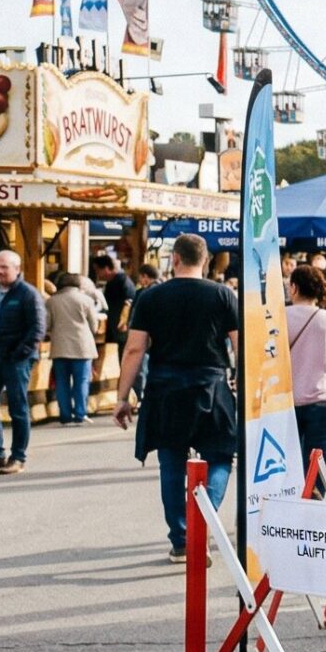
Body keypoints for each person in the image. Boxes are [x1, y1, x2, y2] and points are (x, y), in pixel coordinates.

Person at [115, 233, 239, 560]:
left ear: (175, 259)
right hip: (211, 384)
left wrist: (122, 396)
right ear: (206, 261)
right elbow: (241, 345)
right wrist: (241, 379)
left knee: (171, 463)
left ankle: (182, 538)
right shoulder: (223, 295)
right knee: (221, 455)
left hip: (165, 387)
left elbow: (134, 349)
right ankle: (204, 520)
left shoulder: (151, 297)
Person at [0, 249, 47, 476]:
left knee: (17, 408)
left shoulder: (28, 294)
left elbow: (38, 329)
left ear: (17, 269)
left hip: (15, 361)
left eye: (4, 267)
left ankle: (18, 457)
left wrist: (19, 353)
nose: (0, 272)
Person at [285, 264, 326, 493]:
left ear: (294, 288)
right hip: (322, 399)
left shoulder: (278, 317)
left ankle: (290, 507)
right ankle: (314, 508)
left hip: (286, 402)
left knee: (289, 462)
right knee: (318, 461)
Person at [45, 269, 103, 425]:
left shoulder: (51, 301)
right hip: (82, 347)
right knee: (81, 381)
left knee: (62, 382)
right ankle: (80, 413)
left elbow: (47, 324)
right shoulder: (86, 300)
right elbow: (94, 325)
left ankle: (65, 415)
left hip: (60, 347)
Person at [93, 252, 135, 356]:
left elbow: (128, 303)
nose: (97, 273)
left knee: (124, 355)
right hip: (114, 327)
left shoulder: (122, 280)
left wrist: (123, 322)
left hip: (122, 328)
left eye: (98, 270)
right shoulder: (111, 282)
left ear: (106, 268)